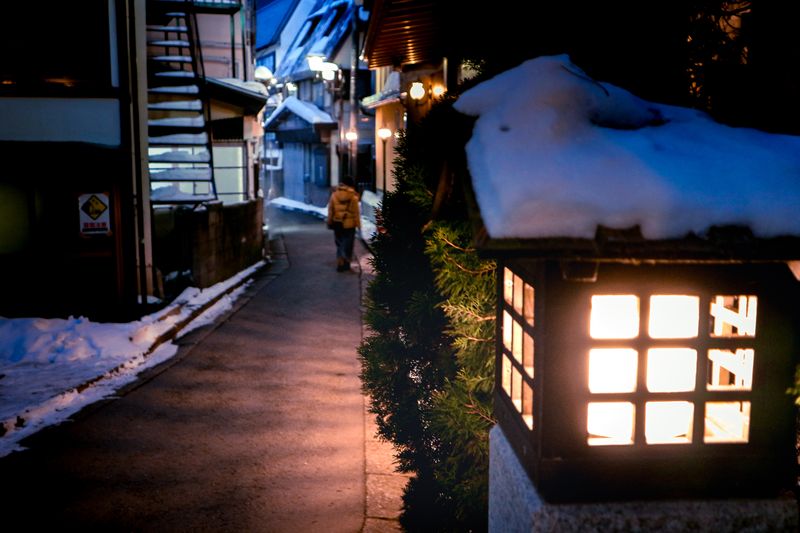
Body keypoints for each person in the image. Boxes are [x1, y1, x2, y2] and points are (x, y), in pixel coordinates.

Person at [327, 175, 361, 272]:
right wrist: (358, 225)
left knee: (339, 243)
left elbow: (331, 210)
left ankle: (340, 262)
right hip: (350, 225)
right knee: (348, 244)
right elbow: (356, 213)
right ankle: (346, 262)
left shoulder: (334, 195)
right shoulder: (353, 197)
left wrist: (330, 222)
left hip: (337, 223)